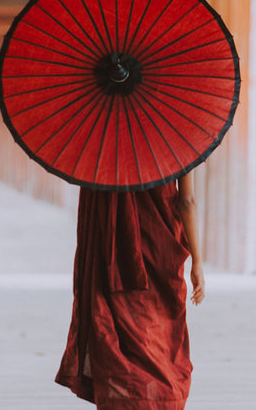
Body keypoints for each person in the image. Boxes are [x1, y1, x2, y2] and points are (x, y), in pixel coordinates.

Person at [55, 174, 206, 410]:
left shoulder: (103, 145)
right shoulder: (175, 144)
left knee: (116, 335)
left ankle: (123, 399)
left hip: (112, 252)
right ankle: (159, 399)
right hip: (160, 250)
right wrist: (197, 260)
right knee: (159, 336)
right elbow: (186, 202)